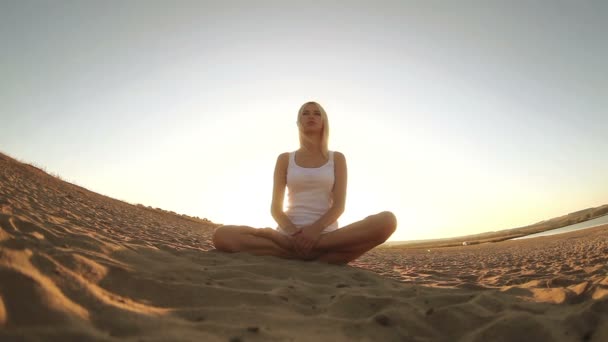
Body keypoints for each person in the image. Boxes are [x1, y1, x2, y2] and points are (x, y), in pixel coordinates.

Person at [212, 101, 397, 264]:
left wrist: (314, 232)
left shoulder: (337, 158)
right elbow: (276, 208)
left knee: (387, 221)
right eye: (305, 113)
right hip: (287, 235)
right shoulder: (285, 159)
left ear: (324, 122)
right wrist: (294, 234)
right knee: (221, 235)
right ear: (298, 122)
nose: (311, 116)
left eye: (317, 113)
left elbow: (339, 206)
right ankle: (316, 254)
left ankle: (299, 251)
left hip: (327, 235)